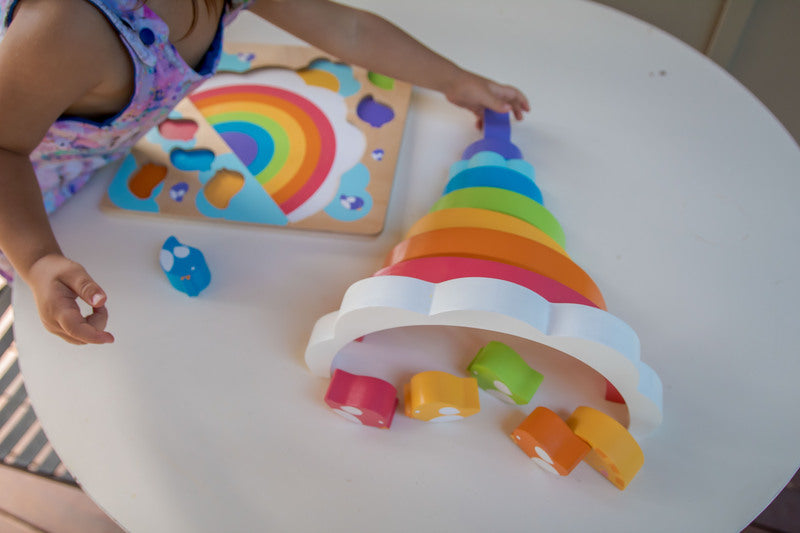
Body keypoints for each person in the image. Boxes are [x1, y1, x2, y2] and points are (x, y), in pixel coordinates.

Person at [0, 0, 529, 346]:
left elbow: (346, 27)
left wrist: (453, 80)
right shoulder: (65, 26)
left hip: (86, 159)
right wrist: (39, 258)